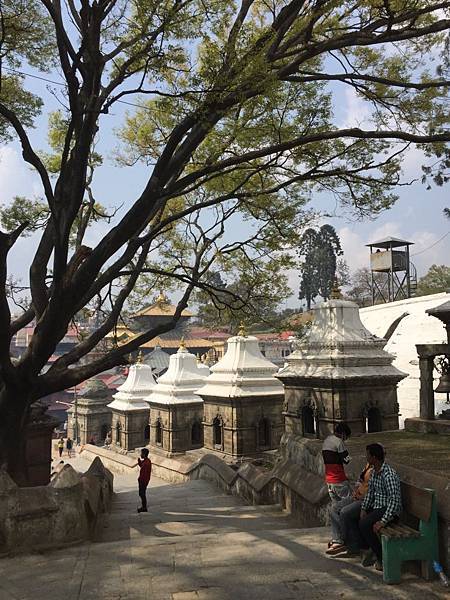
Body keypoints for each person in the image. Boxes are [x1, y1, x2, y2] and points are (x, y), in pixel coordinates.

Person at [359, 443, 402, 571]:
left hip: (389, 510)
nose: (366, 458)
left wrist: (383, 521)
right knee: (357, 517)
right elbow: (370, 492)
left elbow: (394, 501)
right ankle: (369, 549)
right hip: (377, 507)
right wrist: (363, 508)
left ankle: (382, 557)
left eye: (368, 455)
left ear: (374, 457)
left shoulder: (389, 475)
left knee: (365, 524)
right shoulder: (374, 473)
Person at [326, 462, 373, 556]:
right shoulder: (367, 467)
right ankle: (339, 540)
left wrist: (360, 496)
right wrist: (356, 492)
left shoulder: (376, 471)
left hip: (366, 500)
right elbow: (360, 482)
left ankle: (347, 541)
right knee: (333, 509)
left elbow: (371, 492)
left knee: (344, 512)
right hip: (357, 495)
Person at [322, 423, 352, 553]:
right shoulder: (339, 442)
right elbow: (346, 459)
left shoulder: (327, 440)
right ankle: (345, 539)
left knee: (336, 511)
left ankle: (337, 539)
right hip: (339, 481)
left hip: (329, 481)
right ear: (344, 434)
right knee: (347, 509)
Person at [137, 448, 152, 513]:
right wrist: (139, 462)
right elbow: (142, 466)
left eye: (141, 453)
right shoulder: (146, 461)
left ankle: (144, 507)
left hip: (143, 481)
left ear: (144, 454)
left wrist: (140, 480)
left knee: (142, 494)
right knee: (141, 493)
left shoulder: (147, 463)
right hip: (143, 480)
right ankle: (143, 507)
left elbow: (144, 473)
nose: (141, 454)